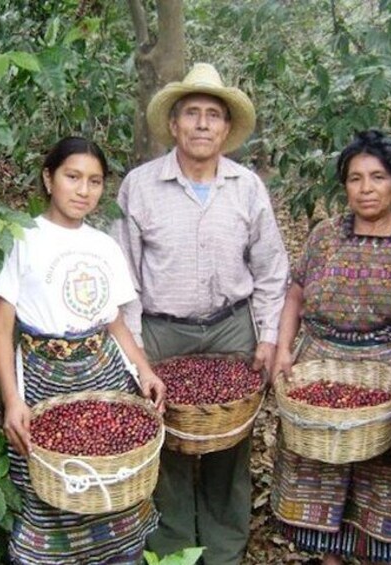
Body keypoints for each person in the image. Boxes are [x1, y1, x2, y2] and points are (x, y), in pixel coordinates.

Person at [112, 63, 289, 564]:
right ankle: (171, 549)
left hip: (231, 327)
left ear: (227, 129)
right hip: (162, 331)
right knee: (163, 440)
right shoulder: (140, 186)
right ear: (174, 124)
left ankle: (223, 550)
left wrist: (269, 335)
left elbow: (272, 268)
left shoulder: (247, 187)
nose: (203, 125)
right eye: (193, 113)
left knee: (229, 443)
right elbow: (124, 271)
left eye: (214, 115)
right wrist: (137, 348)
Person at [0, 136, 166, 564]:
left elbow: (114, 322)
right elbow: (1, 328)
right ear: (48, 178)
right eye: (73, 177)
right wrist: (12, 401)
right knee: (51, 489)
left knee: (115, 484)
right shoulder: (19, 239)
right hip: (44, 382)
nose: (84, 190)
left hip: (104, 379)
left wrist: (146, 372)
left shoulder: (104, 245)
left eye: (95, 181)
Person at [270, 129, 391, 564]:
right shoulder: (325, 234)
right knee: (319, 466)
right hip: (318, 367)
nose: (365, 189)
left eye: (377, 178)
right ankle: (329, 557)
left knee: (378, 470)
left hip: (386, 374)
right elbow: (296, 292)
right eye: (355, 178)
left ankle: (376, 553)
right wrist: (285, 348)